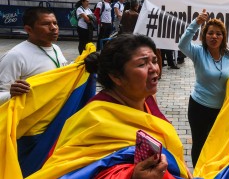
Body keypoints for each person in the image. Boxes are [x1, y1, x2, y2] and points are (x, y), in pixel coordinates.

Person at [27, 34, 192, 179]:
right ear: (116, 77)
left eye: (155, 61)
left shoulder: (146, 98)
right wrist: (131, 176)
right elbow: (73, 172)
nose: (154, 69)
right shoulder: (93, 118)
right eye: (142, 64)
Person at [178, 9, 229, 168]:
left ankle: (214, 172)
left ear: (223, 37)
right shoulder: (198, 52)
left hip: (222, 110)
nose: (214, 36)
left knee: (218, 145)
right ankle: (198, 173)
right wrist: (196, 23)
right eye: (210, 33)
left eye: (218, 33)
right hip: (199, 107)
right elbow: (182, 44)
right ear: (204, 36)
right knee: (200, 143)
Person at [0, 6, 67, 106]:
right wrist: (11, 94)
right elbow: (2, 94)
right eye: (46, 24)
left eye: (55, 23)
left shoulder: (56, 49)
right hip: (31, 120)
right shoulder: (15, 56)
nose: (53, 28)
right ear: (28, 29)